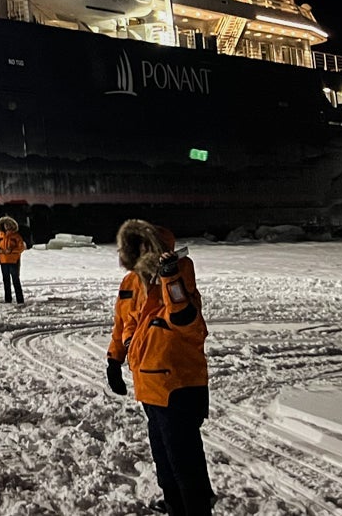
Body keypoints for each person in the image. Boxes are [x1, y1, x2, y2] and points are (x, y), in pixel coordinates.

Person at [107, 219, 213, 516]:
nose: (140, 252)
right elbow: (123, 323)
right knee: (164, 456)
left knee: (184, 460)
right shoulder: (130, 282)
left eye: (145, 246)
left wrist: (169, 278)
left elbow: (188, 324)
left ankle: (197, 508)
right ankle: (175, 505)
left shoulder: (179, 273)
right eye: (134, 246)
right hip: (148, 384)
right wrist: (114, 359)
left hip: (178, 383)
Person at [0, 215, 27, 304]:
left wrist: (11, 250)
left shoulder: (16, 236)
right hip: (3, 261)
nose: (6, 226)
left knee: (16, 280)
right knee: (6, 281)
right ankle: (8, 299)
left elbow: (21, 247)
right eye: (5, 224)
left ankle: (20, 299)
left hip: (13, 261)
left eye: (8, 224)